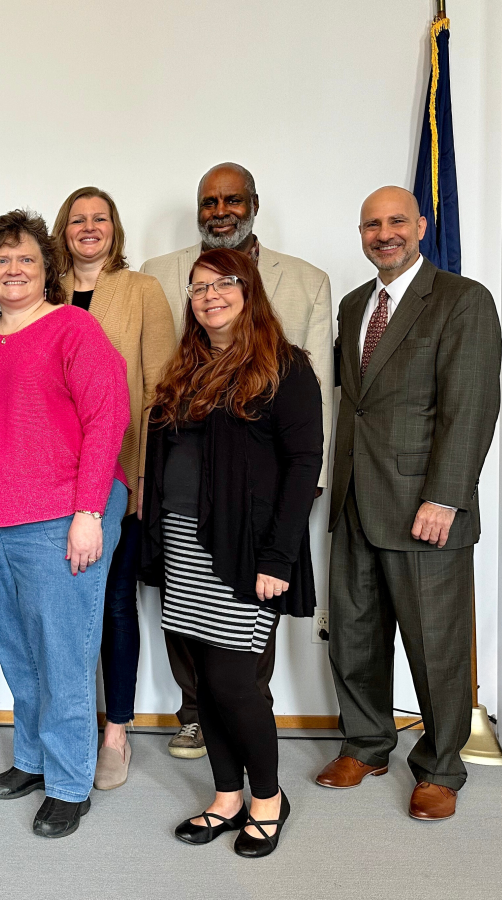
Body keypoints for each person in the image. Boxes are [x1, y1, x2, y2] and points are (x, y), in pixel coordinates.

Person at [316, 186, 501, 822]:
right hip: (354, 502)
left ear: (422, 225)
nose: (384, 233)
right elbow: (354, 406)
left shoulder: (461, 300)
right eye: (372, 224)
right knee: (356, 636)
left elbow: (471, 405)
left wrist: (445, 498)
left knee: (435, 644)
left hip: (424, 508)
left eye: (397, 221)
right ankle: (366, 745)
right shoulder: (352, 306)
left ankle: (441, 766)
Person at [142, 162, 333, 759]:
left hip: (248, 517)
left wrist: (284, 534)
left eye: (231, 200)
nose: (219, 211)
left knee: (237, 671)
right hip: (181, 518)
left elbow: (308, 437)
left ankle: (263, 791)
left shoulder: (301, 294)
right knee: (193, 645)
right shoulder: (161, 282)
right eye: (208, 202)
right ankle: (208, 749)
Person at [0, 210, 130, 839]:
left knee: (63, 655)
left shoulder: (73, 329)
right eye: (1, 260)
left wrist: (88, 514)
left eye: (26, 258)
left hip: (63, 516)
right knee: (18, 653)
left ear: (47, 269)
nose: (14, 269)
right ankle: (32, 760)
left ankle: (69, 781)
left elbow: (107, 419)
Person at [139, 248, 322, 859]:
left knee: (235, 681)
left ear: (248, 290)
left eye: (222, 284)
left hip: (246, 550)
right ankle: (225, 796)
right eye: (197, 288)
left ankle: (268, 799)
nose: (209, 295)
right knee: (207, 684)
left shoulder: (285, 367)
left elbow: (304, 467)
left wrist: (279, 557)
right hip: (183, 541)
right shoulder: (185, 369)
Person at [51, 187, 176, 790]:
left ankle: (116, 730)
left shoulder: (142, 291)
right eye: (78, 220)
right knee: (61, 610)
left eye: (100, 219)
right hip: (48, 480)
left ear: (115, 228)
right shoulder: (41, 293)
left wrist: (148, 477)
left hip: (118, 474)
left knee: (114, 603)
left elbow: (161, 391)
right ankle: (64, 725)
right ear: (63, 230)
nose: (89, 228)